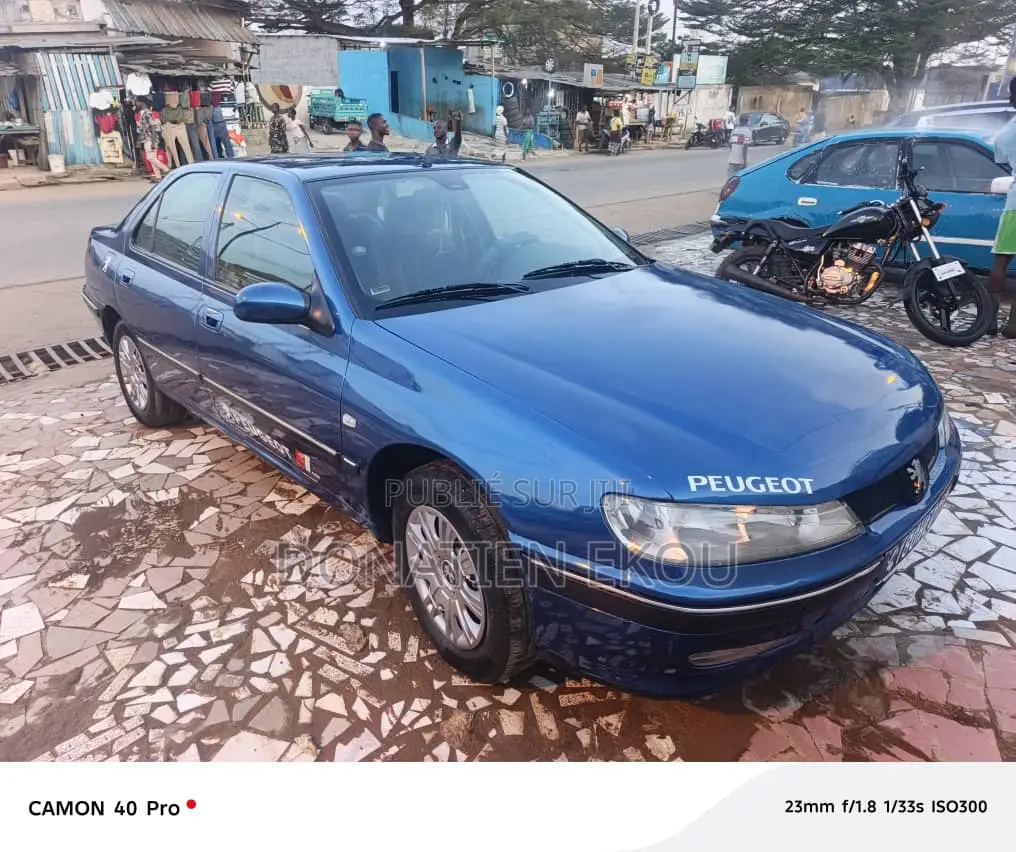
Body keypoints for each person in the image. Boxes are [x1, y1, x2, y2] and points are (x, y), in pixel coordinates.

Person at [987, 77, 1016, 337]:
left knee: (1002, 260)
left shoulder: (1007, 133)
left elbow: (1004, 161)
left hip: (1015, 205)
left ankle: (989, 321)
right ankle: (1014, 326)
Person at [135, 97, 169, 181]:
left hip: (150, 139)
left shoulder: (147, 113)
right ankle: (158, 176)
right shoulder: (144, 113)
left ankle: (166, 170)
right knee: (153, 158)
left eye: (137, 102)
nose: (136, 104)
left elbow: (153, 127)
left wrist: (153, 142)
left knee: (150, 158)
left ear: (141, 102)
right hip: (147, 139)